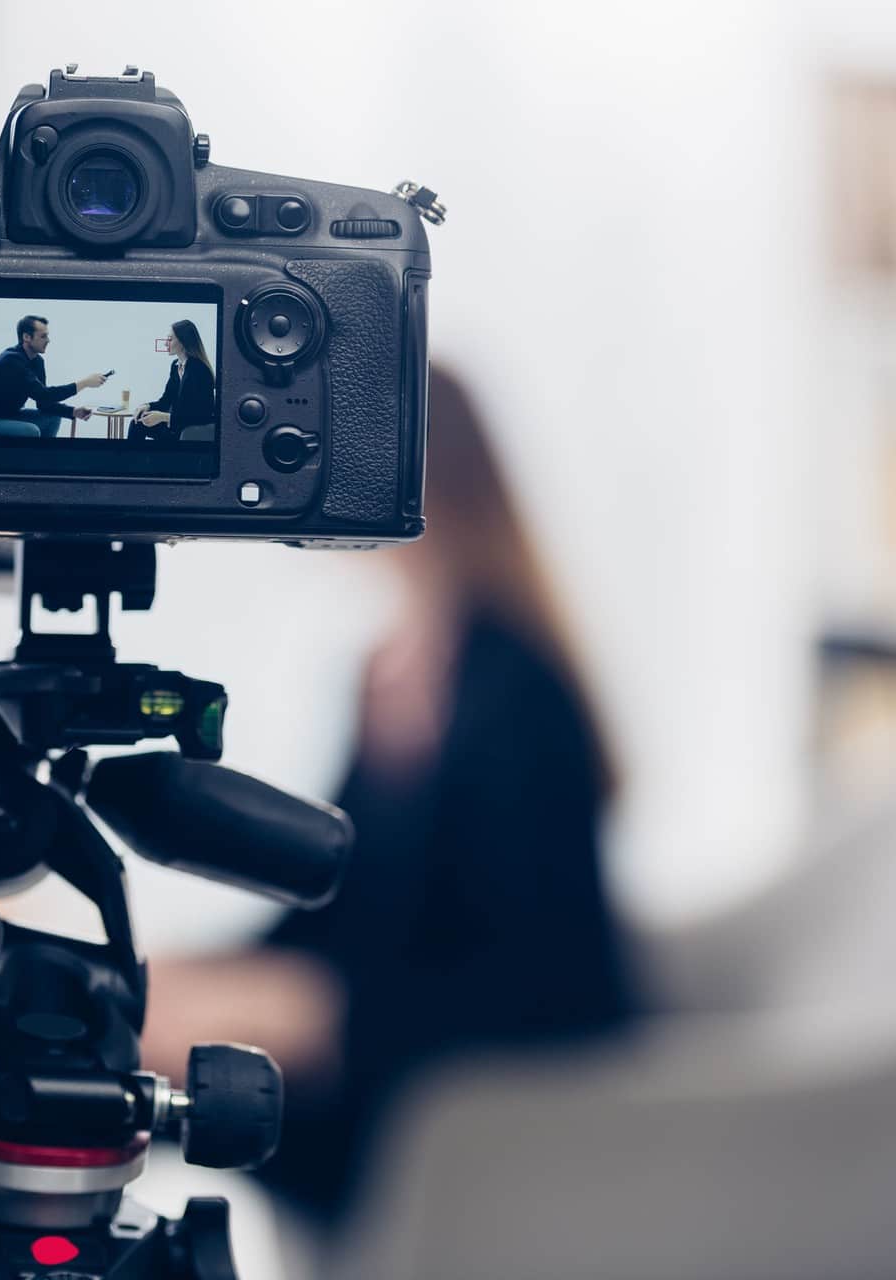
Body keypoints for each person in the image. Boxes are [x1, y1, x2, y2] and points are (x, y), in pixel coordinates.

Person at [141, 364, 637, 1235]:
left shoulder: (513, 688)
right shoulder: (389, 669)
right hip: (391, 1050)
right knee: (105, 1022)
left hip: (469, 1082)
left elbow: (546, 980)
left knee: (111, 1073)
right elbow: (334, 900)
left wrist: (326, 1013)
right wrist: (211, 973)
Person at [0, 314, 107, 438]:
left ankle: (44, 461)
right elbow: (44, 395)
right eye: (43, 336)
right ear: (26, 337)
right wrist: (85, 383)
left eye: (47, 336)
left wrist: (73, 411)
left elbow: (44, 403)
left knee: (53, 418)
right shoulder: (11, 360)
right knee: (31, 431)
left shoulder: (37, 361)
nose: (48, 340)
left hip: (10, 414)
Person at [127, 319, 215, 442]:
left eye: (170, 339)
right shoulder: (176, 366)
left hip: (187, 428)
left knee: (139, 425)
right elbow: (166, 400)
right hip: (175, 425)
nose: (165, 343)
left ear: (183, 342)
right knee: (137, 423)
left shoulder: (199, 370)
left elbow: (203, 415)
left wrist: (164, 417)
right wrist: (147, 406)